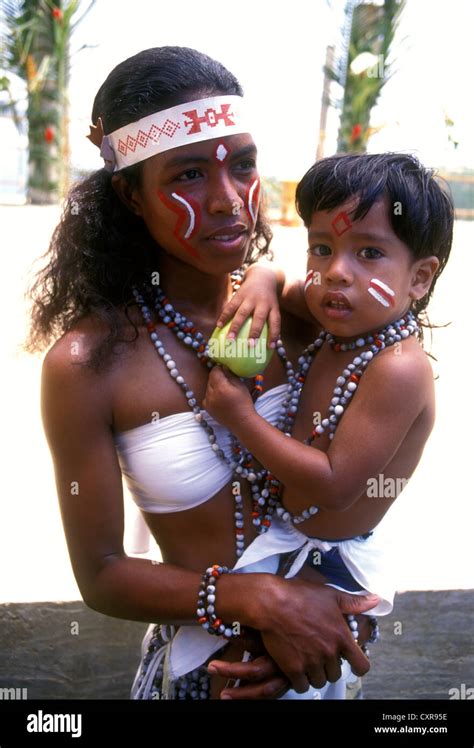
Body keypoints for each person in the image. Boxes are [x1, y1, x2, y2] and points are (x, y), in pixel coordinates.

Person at [28, 46, 380, 702]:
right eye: (188, 174)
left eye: (242, 165)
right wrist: (263, 603)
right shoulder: (86, 366)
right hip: (201, 680)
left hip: (329, 661)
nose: (226, 201)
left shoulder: (310, 313)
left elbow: (402, 396)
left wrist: (272, 277)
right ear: (130, 196)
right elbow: (102, 574)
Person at [202, 152, 454, 680]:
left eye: (369, 252)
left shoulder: (398, 368)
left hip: (332, 565)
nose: (336, 272)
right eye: (322, 248)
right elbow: (279, 280)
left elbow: (336, 485)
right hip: (286, 541)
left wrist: (240, 416)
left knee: (292, 682)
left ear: (420, 278)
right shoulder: (334, 314)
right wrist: (262, 278)